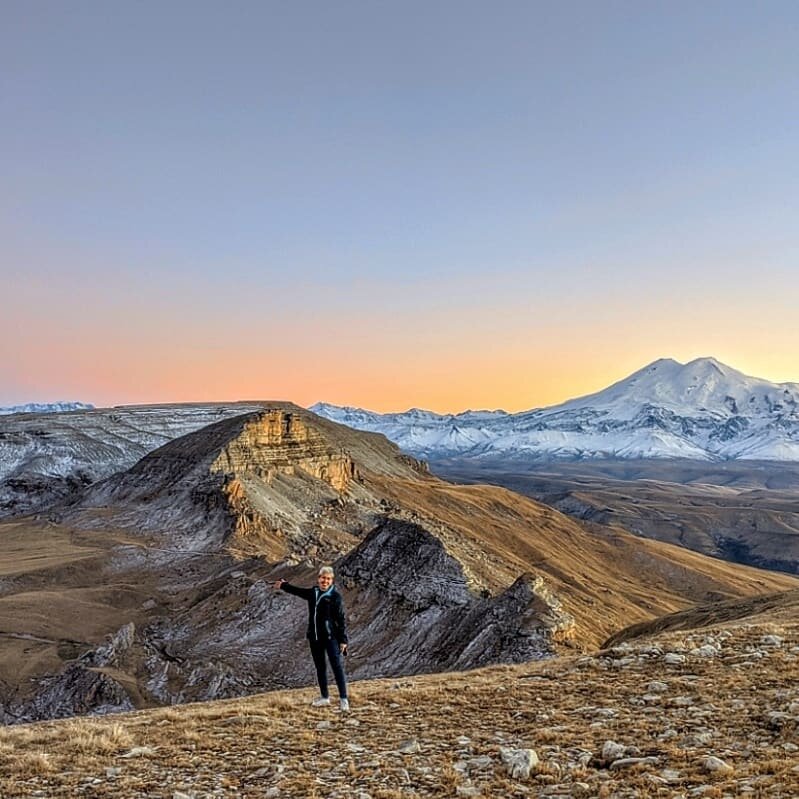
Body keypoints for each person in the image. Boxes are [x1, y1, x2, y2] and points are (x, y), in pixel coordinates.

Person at [273, 566, 350, 711]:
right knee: (320, 667)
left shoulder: (335, 597)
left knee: (337, 667)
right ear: (318, 578)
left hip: (330, 637)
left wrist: (343, 640)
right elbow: (297, 591)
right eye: (323, 578)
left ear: (331, 580)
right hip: (314, 638)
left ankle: (343, 700)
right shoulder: (313, 593)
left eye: (328, 579)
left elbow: (341, 620)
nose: (324, 581)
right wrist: (283, 585)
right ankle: (325, 698)